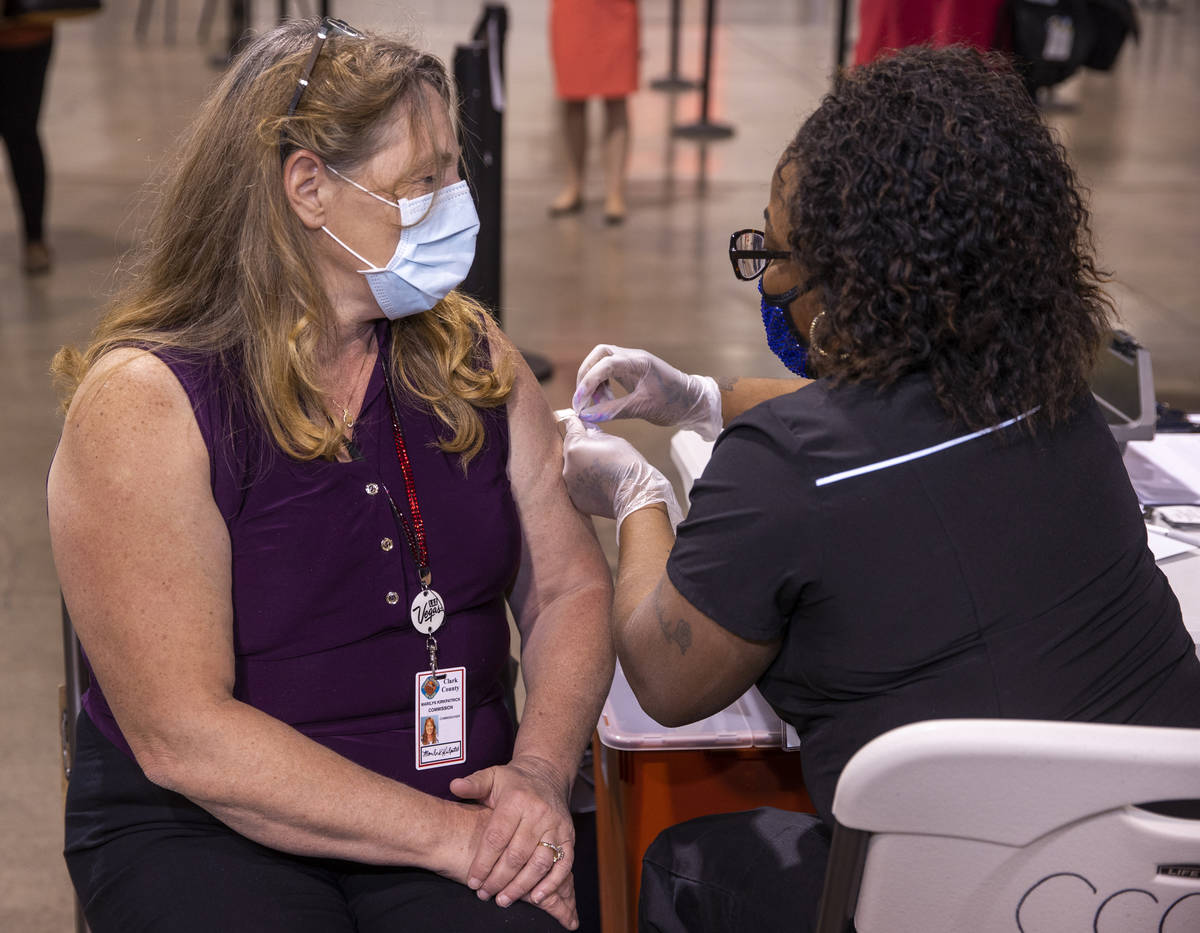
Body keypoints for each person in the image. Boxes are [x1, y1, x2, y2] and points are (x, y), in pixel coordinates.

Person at [560, 46, 1200, 932]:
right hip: (1149, 887)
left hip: (949, 899)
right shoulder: (1054, 391)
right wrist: (699, 398)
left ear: (856, 283)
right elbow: (888, 414)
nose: (771, 281)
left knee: (689, 863)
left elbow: (665, 679)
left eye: (780, 257)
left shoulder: (781, 467)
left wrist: (636, 499)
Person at [47, 18, 613, 932]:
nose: (454, 201)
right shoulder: (148, 404)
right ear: (308, 187)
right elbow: (184, 733)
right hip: (212, 826)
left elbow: (572, 587)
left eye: (453, 172)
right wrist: (452, 840)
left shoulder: (466, 354)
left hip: (462, 794)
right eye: (421, 181)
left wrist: (540, 775)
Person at [547, 0, 638, 224]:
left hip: (616, 9)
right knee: (573, 96)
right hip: (573, 8)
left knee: (617, 96)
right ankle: (573, 185)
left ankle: (614, 193)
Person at [0, 16, 54, 274]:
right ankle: (35, 241)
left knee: (21, 134)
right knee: (23, 136)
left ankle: (35, 238)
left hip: (25, 30)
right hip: (27, 31)